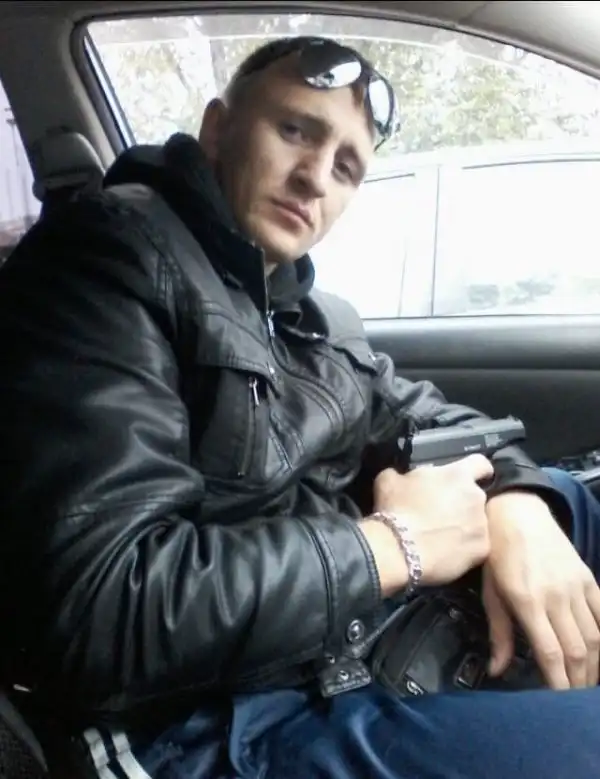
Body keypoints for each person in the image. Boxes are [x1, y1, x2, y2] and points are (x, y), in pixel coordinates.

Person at [0, 35, 600, 779]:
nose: (316, 177)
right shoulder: (105, 260)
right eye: (295, 130)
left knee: (577, 504)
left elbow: (435, 419)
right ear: (217, 129)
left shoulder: (312, 317)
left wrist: (517, 504)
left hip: (352, 642)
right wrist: (392, 546)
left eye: (346, 167)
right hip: (213, 720)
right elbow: (101, 607)